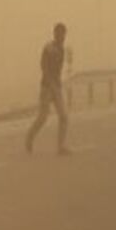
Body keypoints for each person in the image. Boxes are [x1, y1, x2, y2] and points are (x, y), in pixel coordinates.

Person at [25, 22, 71, 155]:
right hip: (47, 87)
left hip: (56, 87)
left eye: (63, 34)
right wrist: (51, 83)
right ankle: (29, 137)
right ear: (55, 34)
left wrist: (58, 85)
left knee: (63, 116)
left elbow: (59, 70)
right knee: (43, 117)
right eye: (59, 34)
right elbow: (44, 67)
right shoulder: (49, 48)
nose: (62, 37)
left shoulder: (62, 49)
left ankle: (60, 147)